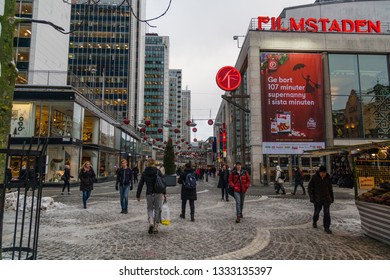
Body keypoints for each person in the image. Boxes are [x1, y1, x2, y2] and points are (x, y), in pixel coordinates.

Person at [136, 158, 166, 234]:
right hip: (158, 193)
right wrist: (164, 193)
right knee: (157, 209)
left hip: (149, 193)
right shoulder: (158, 171)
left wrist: (138, 195)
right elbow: (162, 182)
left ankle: (151, 222)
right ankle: (156, 226)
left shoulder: (145, 172)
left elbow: (141, 184)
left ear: (147, 164)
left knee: (149, 208)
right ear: (154, 163)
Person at [308, 165, 334, 234]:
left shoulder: (328, 178)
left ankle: (327, 227)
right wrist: (312, 197)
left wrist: (331, 198)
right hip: (317, 199)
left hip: (326, 198)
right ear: (319, 172)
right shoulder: (314, 178)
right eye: (321, 173)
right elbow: (310, 188)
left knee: (327, 213)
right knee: (317, 212)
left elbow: (330, 189)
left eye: (324, 173)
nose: (323, 174)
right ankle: (314, 221)